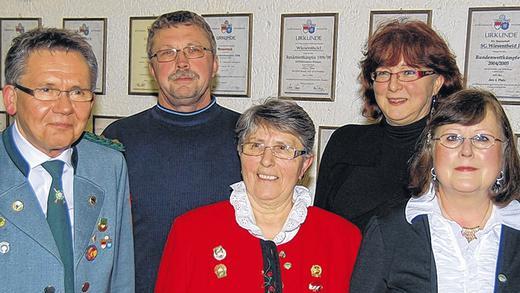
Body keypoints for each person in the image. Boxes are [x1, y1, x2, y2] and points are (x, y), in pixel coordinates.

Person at [155, 99, 362, 292]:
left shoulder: (343, 240)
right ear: (240, 154)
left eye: (283, 148)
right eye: (256, 146)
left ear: (305, 164)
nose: (266, 161)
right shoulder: (190, 232)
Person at [102, 10, 241, 292]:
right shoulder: (118, 139)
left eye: (194, 50)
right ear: (152, 70)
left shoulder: (249, 137)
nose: (181, 62)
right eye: (167, 53)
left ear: (214, 63)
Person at [0, 28, 134, 292]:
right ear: (11, 98)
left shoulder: (108, 166)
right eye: (47, 89)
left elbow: (121, 276)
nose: (64, 107)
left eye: (77, 92)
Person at [350, 89, 520, 292]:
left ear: (505, 151)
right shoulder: (388, 231)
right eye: (452, 138)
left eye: (482, 138)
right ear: (431, 149)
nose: (466, 151)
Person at [314, 20, 463, 230]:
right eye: (384, 73)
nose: (393, 85)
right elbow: (318, 232)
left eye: (408, 72)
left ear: (437, 82)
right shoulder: (345, 142)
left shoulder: (457, 151)